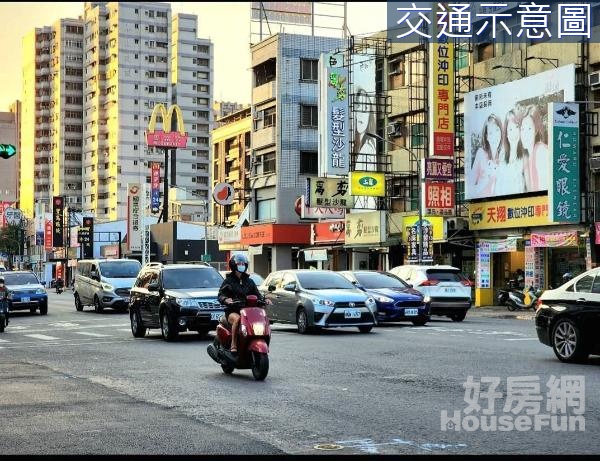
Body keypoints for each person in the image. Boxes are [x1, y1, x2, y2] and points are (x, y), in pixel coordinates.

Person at [218, 254, 271, 356]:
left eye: (243, 264)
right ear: (233, 265)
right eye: (239, 264)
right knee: (238, 319)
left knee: (260, 320)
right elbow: (221, 294)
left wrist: (265, 300)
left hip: (248, 311)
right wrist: (225, 299)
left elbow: (258, 295)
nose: (241, 265)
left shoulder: (250, 281)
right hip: (233, 311)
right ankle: (234, 344)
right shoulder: (228, 281)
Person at [470, 114, 503, 198]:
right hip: (481, 204)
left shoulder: (502, 156)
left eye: (497, 130)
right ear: (487, 136)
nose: (495, 136)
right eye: (491, 133)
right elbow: (471, 183)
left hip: (498, 204)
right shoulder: (481, 153)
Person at [495, 109, 526, 196]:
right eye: (510, 129)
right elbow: (498, 186)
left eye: (517, 127)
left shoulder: (525, 155)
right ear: (507, 133)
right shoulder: (502, 156)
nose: (514, 133)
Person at [520, 104, 549, 192]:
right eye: (522, 129)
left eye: (529, 128)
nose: (525, 134)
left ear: (536, 130)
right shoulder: (526, 154)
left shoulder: (541, 151)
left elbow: (545, 189)